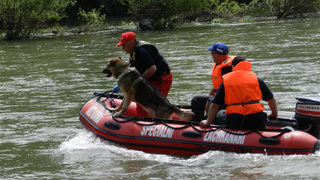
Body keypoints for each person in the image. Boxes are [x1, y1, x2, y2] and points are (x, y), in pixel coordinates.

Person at [200, 58, 278, 130]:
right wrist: (274, 114)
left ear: (233, 67)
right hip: (257, 119)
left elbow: (214, 105)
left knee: (220, 113)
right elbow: (271, 99)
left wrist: (208, 121)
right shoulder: (256, 79)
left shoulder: (227, 80)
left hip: (236, 120)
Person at [115, 31, 172, 117]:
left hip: (161, 79)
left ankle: (154, 124)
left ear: (131, 42)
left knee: (151, 104)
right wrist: (121, 83)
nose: (122, 48)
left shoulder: (142, 51)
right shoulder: (133, 53)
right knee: (140, 101)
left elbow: (152, 68)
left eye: (124, 45)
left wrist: (138, 82)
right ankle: (142, 121)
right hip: (150, 79)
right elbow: (131, 70)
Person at [191, 42, 237, 121]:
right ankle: (198, 123)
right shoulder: (219, 65)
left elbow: (227, 91)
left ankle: (209, 122)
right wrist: (210, 97)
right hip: (217, 97)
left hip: (225, 100)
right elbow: (216, 86)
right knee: (196, 100)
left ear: (218, 55)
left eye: (212, 53)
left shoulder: (227, 69)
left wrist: (211, 100)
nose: (211, 55)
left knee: (213, 105)